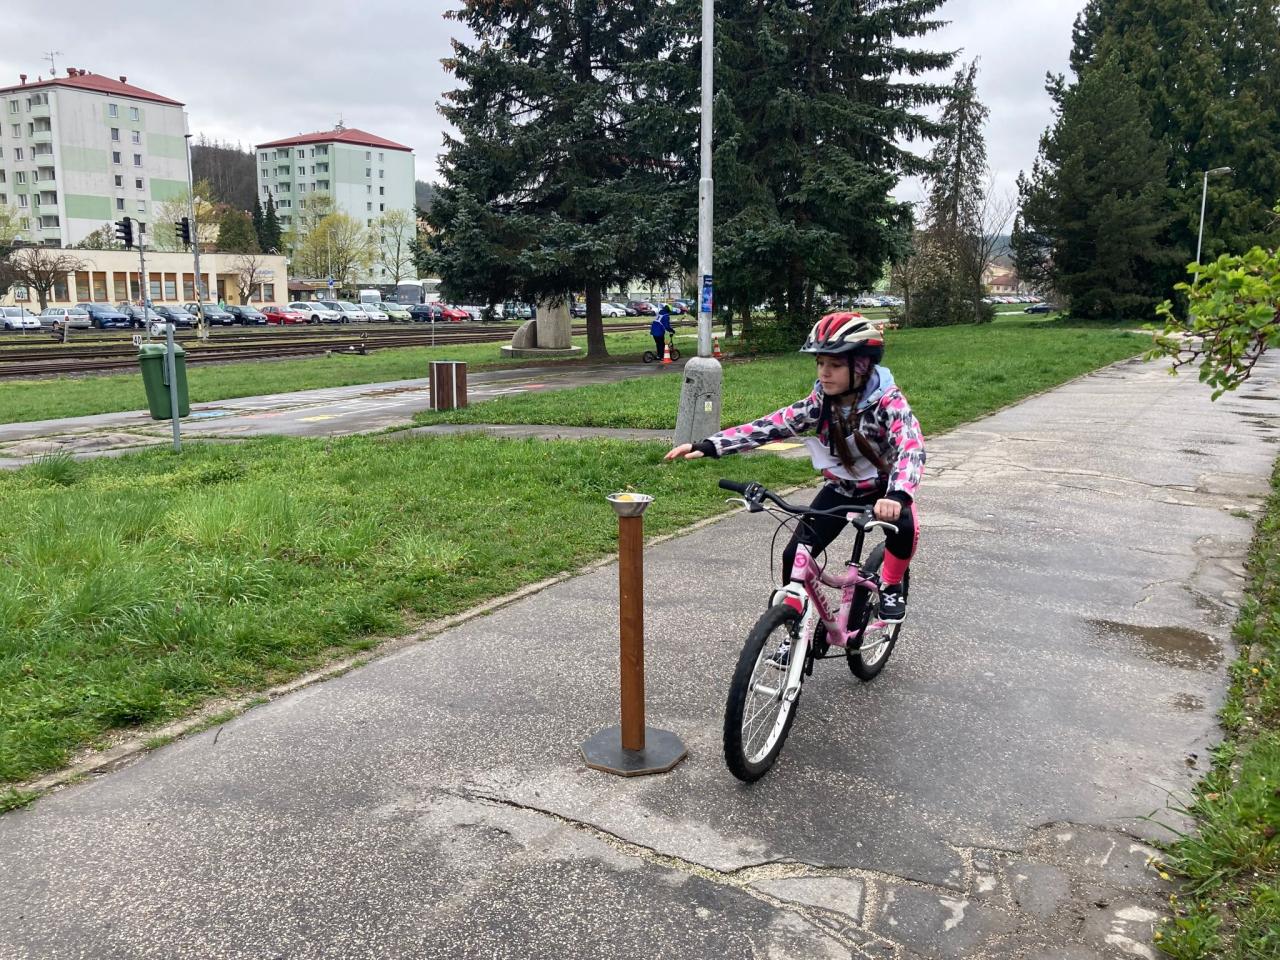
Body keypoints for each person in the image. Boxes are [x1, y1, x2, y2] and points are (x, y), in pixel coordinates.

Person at [664, 312, 923, 622]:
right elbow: (772, 425)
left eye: (835, 365)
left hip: (884, 491)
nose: (824, 372)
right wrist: (710, 445)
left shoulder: (889, 403)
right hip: (841, 489)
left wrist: (897, 496)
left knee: (904, 527)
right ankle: (794, 626)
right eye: (820, 363)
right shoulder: (821, 402)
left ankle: (891, 585)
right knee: (794, 555)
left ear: (862, 366)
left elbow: (910, 447)